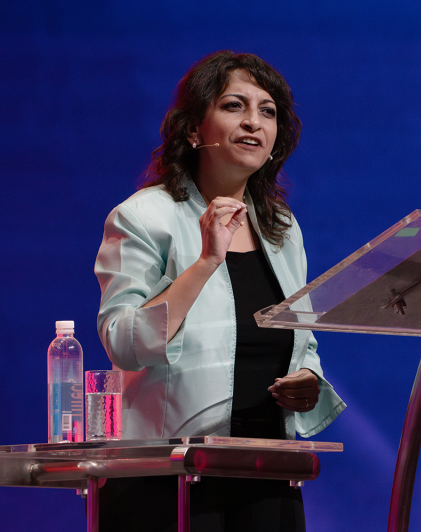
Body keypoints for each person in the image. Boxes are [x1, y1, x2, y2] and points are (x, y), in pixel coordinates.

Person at [94, 50, 346, 531]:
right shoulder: (145, 217)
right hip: (168, 480)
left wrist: (308, 381)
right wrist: (207, 260)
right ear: (194, 130)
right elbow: (124, 343)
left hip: (265, 473)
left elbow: (303, 342)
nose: (254, 121)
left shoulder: (282, 228)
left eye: (267, 111)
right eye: (234, 106)